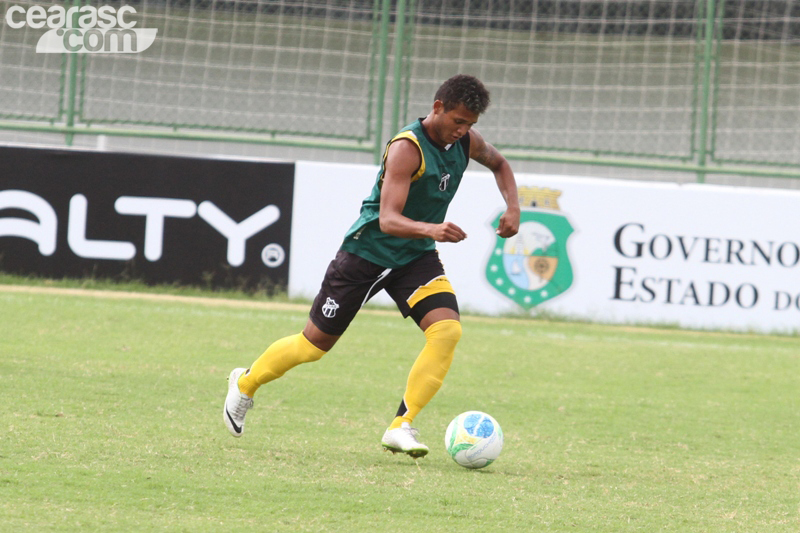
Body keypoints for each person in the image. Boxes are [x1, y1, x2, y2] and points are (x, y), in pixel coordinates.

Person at [223, 74, 520, 458]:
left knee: (446, 330)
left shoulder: (465, 142)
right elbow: (388, 219)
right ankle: (245, 384)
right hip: (366, 255)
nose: (461, 131)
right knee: (313, 346)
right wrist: (433, 228)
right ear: (437, 108)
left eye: (470, 125)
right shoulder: (406, 148)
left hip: (414, 257)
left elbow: (500, 165)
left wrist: (513, 208)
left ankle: (402, 424)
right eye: (457, 121)